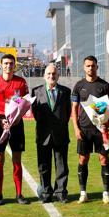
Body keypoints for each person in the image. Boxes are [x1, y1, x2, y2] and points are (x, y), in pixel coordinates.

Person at [0, 53, 29, 205]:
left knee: (17, 159)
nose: (8, 66)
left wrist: (16, 117)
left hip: (16, 124)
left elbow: (24, 102)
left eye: (11, 63)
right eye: (6, 63)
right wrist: (0, 119)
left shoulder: (21, 83)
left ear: (14, 65)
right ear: (1, 65)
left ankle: (19, 194)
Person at [71, 56, 109, 204]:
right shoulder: (78, 86)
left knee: (104, 159)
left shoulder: (105, 86)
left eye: (93, 66)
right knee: (83, 159)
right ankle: (83, 193)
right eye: (88, 66)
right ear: (84, 67)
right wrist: (76, 128)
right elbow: (74, 109)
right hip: (84, 129)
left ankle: (106, 193)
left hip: (100, 130)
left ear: (97, 67)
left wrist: (107, 125)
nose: (90, 68)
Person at [32, 64, 71, 203]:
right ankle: (46, 192)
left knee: (61, 165)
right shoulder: (36, 92)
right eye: (48, 74)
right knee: (43, 166)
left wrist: (58, 125)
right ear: (44, 76)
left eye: (54, 74)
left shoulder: (66, 91)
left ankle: (61, 192)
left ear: (58, 76)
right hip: (43, 135)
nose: (51, 76)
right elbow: (35, 113)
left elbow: (67, 113)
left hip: (61, 134)